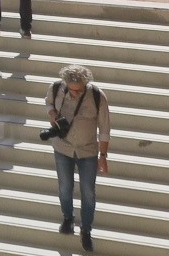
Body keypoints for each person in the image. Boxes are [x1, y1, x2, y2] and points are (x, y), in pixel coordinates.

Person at [45, 64, 113, 251]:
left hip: (88, 151)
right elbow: (48, 102)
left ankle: (86, 230)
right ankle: (68, 217)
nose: (74, 94)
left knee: (88, 192)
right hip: (62, 148)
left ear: (86, 85)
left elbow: (105, 129)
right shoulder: (57, 88)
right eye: (71, 90)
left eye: (79, 90)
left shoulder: (98, 96)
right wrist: (52, 113)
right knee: (64, 186)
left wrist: (103, 155)